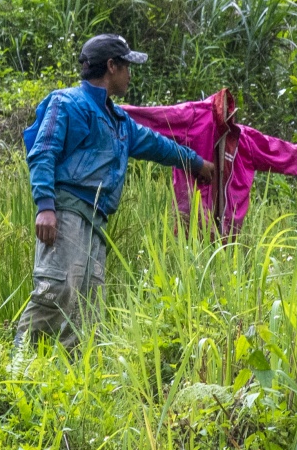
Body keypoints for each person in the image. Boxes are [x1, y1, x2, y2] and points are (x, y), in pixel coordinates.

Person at [17, 34, 214, 350]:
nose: (130, 75)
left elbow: (156, 145)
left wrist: (196, 163)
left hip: (96, 222)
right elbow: (43, 152)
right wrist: (45, 206)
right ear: (111, 66)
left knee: (87, 307)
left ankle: (67, 380)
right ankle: (16, 365)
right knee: (54, 292)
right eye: (126, 67)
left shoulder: (120, 121)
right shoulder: (65, 103)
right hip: (66, 213)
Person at [124, 89, 297, 236]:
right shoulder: (193, 116)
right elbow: (150, 116)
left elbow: (288, 154)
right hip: (191, 227)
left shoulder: (245, 140)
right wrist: (108, 111)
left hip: (228, 237)